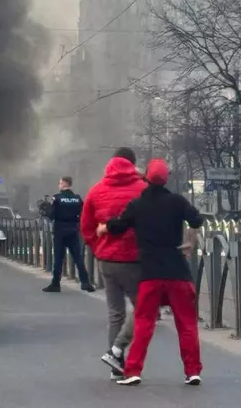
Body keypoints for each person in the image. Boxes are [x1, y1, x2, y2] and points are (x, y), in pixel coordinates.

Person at [97, 159, 203, 386]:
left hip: (150, 273)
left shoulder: (138, 205)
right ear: (167, 179)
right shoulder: (177, 201)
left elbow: (119, 226)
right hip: (178, 271)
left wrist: (104, 226)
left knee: (144, 321)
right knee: (187, 323)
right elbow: (197, 219)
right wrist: (189, 241)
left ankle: (133, 370)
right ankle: (193, 371)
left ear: (146, 177)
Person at [79, 147, 148, 380]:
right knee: (144, 309)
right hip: (134, 260)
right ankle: (118, 352)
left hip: (107, 260)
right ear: (132, 164)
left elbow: (86, 226)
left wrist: (97, 248)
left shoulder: (97, 190)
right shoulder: (143, 189)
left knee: (115, 313)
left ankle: (115, 368)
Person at [43, 176, 95, 293]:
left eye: (60, 183)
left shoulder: (57, 198)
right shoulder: (77, 199)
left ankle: (55, 284)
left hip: (60, 230)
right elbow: (83, 213)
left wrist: (46, 210)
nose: (59, 185)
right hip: (74, 230)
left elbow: (51, 215)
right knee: (78, 257)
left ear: (65, 184)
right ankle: (85, 283)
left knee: (58, 259)